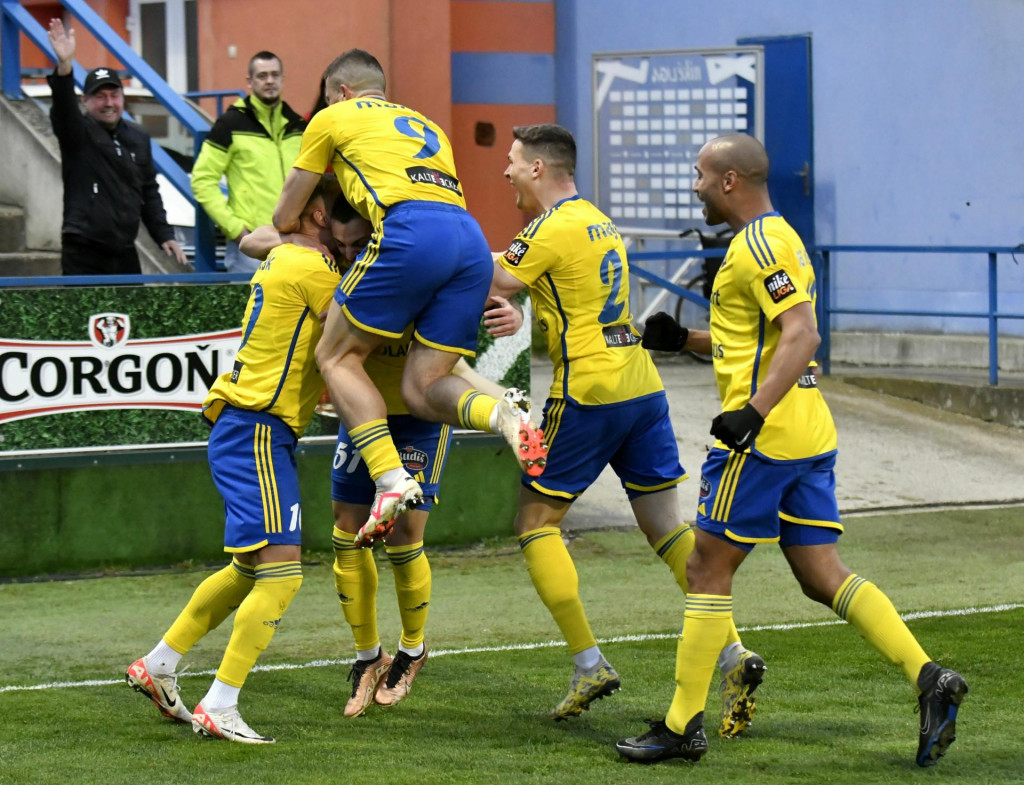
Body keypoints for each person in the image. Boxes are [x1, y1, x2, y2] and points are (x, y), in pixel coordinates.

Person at [617, 134, 968, 766]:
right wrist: (686, 340)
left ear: (729, 181)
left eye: (700, 175)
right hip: (808, 433)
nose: (693, 186)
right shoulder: (780, 238)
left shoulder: (756, 246)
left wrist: (750, 413)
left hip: (763, 440)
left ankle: (680, 727)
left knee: (705, 570)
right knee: (821, 574)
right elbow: (764, 337)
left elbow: (803, 334)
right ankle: (929, 678)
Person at [486, 123, 765, 726]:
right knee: (667, 529)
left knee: (534, 521)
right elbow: (567, 291)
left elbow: (495, 276)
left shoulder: (548, 225)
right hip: (640, 385)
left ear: (538, 168)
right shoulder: (596, 219)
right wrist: (521, 309)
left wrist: (419, 252)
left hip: (587, 393)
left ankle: (590, 665)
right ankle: (733, 654)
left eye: (512, 161)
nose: (505, 171)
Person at [241, 200, 520, 718]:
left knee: (403, 538)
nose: (348, 254)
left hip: (419, 416)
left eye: (357, 245)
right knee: (346, 532)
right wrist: (301, 242)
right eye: (340, 246)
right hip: (364, 416)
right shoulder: (344, 270)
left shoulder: (417, 265)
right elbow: (252, 240)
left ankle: (412, 650)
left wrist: (512, 308)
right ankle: (367, 656)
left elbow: (503, 271)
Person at [273, 49, 547, 547]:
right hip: (468, 238)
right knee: (425, 388)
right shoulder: (428, 126)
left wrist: (293, 229)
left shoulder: (333, 116)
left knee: (335, 356)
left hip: (409, 231)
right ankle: (503, 413)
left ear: (342, 92)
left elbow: (285, 212)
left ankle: (391, 478)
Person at [125, 174, 344, 744]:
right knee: (284, 575)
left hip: (245, 426)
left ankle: (159, 664)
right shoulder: (315, 272)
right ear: (323, 220)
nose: (362, 231)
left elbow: (256, 241)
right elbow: (369, 331)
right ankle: (220, 704)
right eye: (354, 220)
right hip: (257, 430)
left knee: (250, 569)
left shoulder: (281, 256)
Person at [45, 19, 187, 275]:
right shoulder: (77, 133)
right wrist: (64, 67)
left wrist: (164, 235)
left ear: (123, 98)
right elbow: (64, 110)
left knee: (131, 315)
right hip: (83, 251)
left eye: (114, 95)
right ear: (85, 101)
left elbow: (149, 191)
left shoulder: (138, 137)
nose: (108, 102)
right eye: (100, 96)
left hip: (124, 250)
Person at [191, 51, 306, 275]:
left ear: (283, 79)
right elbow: (202, 180)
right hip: (251, 247)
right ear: (250, 82)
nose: (270, 81)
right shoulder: (230, 123)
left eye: (275, 75)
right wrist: (236, 230)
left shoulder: (297, 125)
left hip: (295, 242)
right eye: (262, 76)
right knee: (250, 310)